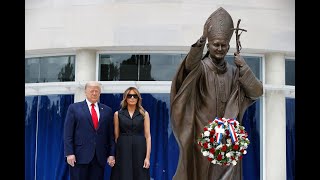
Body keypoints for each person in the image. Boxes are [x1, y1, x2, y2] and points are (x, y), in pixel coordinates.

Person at [170, 7, 263, 180]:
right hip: (202, 137)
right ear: (209, 45)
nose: (220, 48)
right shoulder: (200, 68)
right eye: (216, 44)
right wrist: (202, 39)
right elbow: (189, 66)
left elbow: (257, 92)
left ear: (228, 46)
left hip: (228, 139)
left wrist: (244, 67)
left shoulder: (235, 72)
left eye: (223, 45)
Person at [63, 81, 116, 180]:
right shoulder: (74, 108)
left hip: (99, 157)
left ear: (100, 93)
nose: (94, 93)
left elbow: (110, 135)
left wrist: (111, 154)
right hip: (79, 156)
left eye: (97, 91)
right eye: (92, 91)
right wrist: (69, 153)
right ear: (85, 92)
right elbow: (68, 133)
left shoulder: (107, 110)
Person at [110, 87, 151, 180]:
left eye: (135, 96)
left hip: (140, 148)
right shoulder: (118, 114)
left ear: (138, 98)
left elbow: (148, 136)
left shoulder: (144, 114)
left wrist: (147, 157)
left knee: (140, 174)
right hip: (123, 149)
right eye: (129, 96)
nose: (132, 98)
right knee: (123, 174)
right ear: (125, 98)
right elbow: (116, 136)